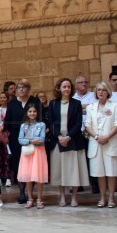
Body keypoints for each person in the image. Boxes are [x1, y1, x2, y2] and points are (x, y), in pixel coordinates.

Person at [46, 77, 88, 207]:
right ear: (59, 88)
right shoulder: (53, 103)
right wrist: (59, 136)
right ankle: (62, 196)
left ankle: (74, 197)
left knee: (73, 170)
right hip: (58, 141)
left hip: (73, 140)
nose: (67, 89)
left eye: (69, 87)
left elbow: (78, 123)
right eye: (64, 87)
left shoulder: (76, 103)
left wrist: (68, 137)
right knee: (59, 170)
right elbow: (51, 122)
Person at [85, 81, 117, 208]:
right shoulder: (91, 107)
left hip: (110, 141)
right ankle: (102, 197)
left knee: (111, 171)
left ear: (108, 92)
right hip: (96, 143)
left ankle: (111, 198)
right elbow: (87, 124)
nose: (100, 92)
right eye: (98, 90)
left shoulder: (115, 106)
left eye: (103, 90)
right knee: (99, 172)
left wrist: (107, 137)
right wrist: (96, 136)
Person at [5, 79, 41, 203]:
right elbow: (7, 121)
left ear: (28, 89)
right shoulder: (12, 103)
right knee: (19, 165)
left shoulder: (35, 101)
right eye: (19, 87)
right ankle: (21, 192)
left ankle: (30, 193)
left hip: (33, 137)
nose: (21, 89)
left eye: (24, 87)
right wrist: (4, 134)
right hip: (16, 139)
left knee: (32, 165)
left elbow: (40, 118)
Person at [17, 105, 48, 208]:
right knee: (28, 176)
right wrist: (31, 140)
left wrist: (28, 138)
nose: (32, 113)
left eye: (34, 111)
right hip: (27, 152)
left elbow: (42, 139)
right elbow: (20, 140)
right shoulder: (23, 126)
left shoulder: (42, 124)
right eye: (30, 111)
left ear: (37, 113)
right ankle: (30, 198)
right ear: (27, 113)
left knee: (38, 175)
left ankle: (39, 199)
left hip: (38, 152)